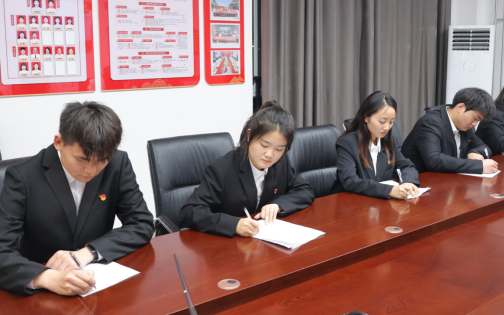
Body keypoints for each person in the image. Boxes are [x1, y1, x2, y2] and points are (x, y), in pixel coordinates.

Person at [0, 102, 154, 296]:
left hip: (96, 282)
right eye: (82, 159)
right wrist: (47, 277)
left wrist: (88, 252)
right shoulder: (23, 177)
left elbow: (141, 223)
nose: (91, 170)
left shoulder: (117, 164)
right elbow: (2, 250)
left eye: (102, 160)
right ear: (59, 142)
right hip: (42, 290)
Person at [180, 101, 314, 238]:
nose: (270, 154)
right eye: (264, 145)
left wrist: (278, 205)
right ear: (249, 135)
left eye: (279, 149)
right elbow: (189, 212)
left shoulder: (280, 162)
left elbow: (304, 189)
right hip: (227, 244)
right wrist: (234, 224)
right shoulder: (222, 170)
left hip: (264, 242)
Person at [335, 92, 420, 200]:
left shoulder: (389, 142)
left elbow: (405, 165)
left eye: (391, 122)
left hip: (377, 203)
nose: (387, 127)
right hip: (351, 203)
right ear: (366, 117)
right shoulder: (347, 143)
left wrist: (408, 182)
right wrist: (389, 190)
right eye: (382, 122)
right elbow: (350, 181)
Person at [401, 88, 498, 175]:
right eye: (475, 118)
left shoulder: (466, 126)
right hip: (418, 182)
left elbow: (483, 147)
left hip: (446, 180)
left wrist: (474, 152)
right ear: (460, 108)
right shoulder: (430, 123)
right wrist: (479, 166)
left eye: (478, 121)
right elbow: (434, 160)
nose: (475, 124)